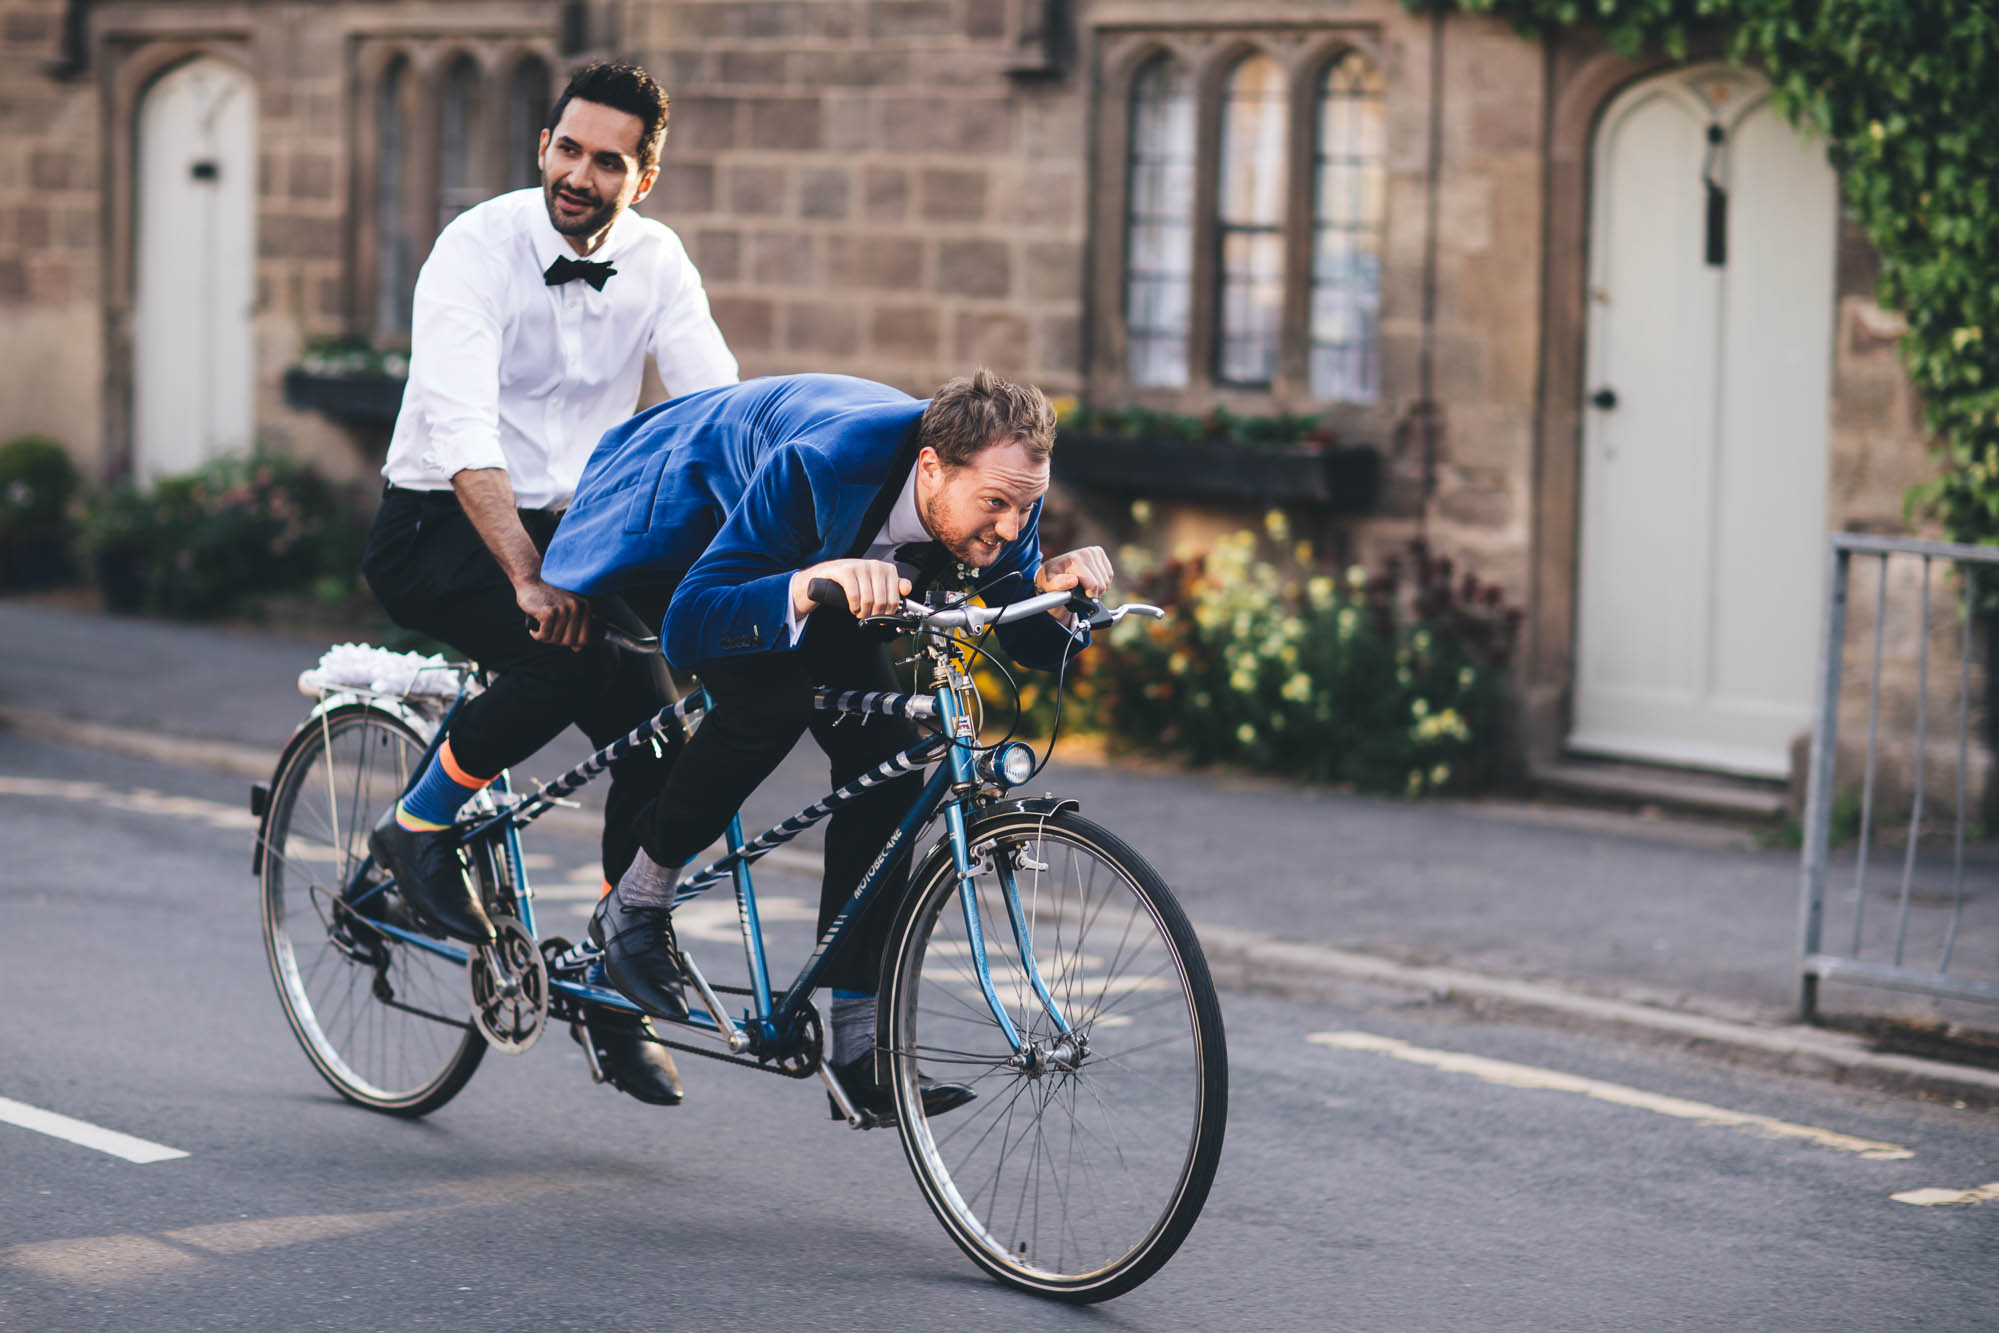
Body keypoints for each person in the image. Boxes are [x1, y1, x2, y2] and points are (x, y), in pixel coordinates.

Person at [538, 369, 1113, 1122]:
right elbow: (690, 624)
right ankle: (636, 905)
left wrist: (1063, 592)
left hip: (821, 556)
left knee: (891, 770)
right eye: (997, 506)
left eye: (1026, 507)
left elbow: (1017, 617)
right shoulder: (823, 466)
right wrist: (807, 586)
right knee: (767, 700)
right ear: (932, 468)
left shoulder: (999, 484)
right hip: (677, 529)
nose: (1009, 526)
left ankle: (854, 1048)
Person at [360, 60, 738, 1107]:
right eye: (566, 149)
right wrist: (523, 576)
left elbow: (717, 408)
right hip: (440, 520)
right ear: (543, 148)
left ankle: (615, 984)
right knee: (559, 658)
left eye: (607, 160)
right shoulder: (473, 249)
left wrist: (775, 535)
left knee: (662, 743)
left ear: (642, 178)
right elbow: (459, 426)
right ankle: (419, 827)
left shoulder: (658, 261)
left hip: (578, 532)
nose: (579, 173)